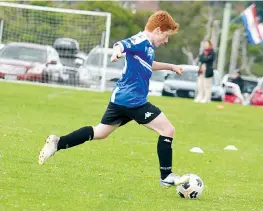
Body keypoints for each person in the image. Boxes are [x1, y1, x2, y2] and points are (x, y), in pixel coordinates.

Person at [38, 10, 190, 187]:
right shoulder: (140, 40)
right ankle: (166, 176)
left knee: (100, 132)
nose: (166, 41)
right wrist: (116, 52)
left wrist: (171, 66)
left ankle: (58, 143)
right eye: (166, 36)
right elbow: (121, 44)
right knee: (168, 130)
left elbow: (149, 64)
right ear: (157, 30)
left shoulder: (147, 46)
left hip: (121, 99)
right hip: (132, 100)